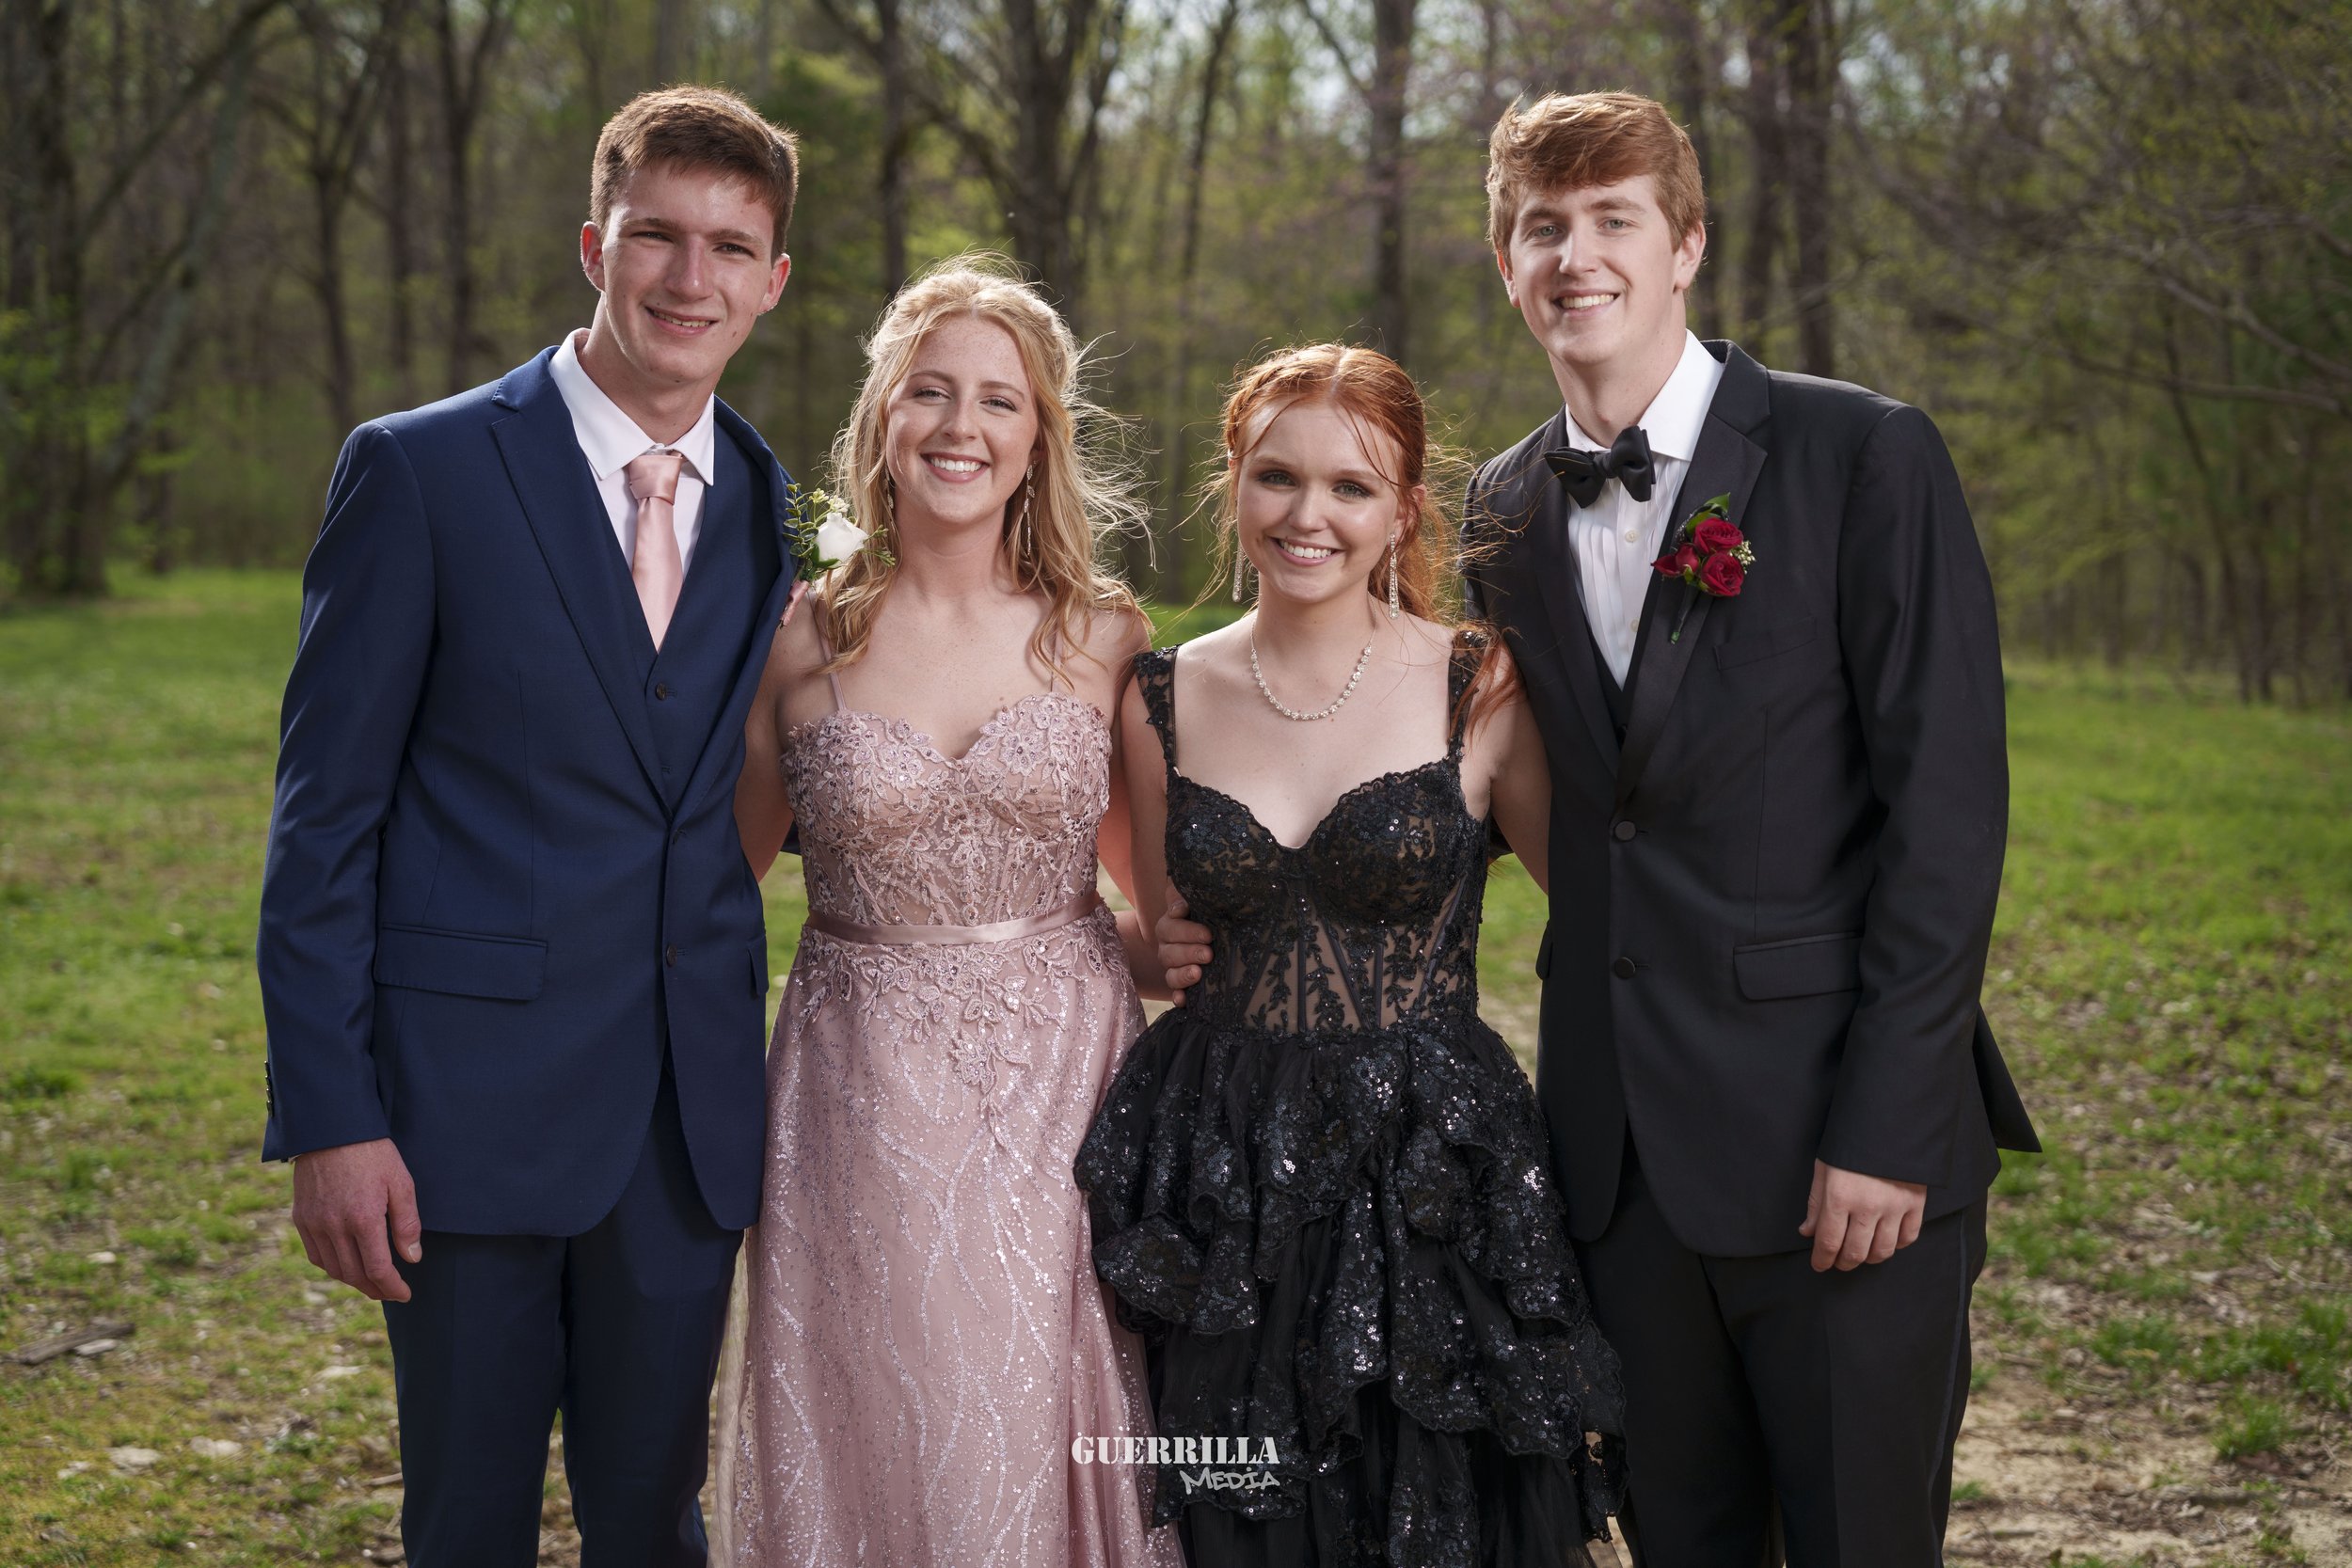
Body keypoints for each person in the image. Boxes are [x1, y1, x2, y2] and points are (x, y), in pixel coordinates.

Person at [257, 87, 802, 1566]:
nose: (691, 280)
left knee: (652, 1517)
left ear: (772, 280)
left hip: (684, 1128)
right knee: (470, 1521)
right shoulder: (420, 470)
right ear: (593, 245)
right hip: (459, 1115)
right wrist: (333, 1117)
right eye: (657, 238)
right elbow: (322, 826)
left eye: (729, 248)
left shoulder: (771, 503)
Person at [1082, 343, 1626, 1566]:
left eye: (1352, 487)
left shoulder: (1478, 685)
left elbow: (1608, 914)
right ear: (1233, 484)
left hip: (1431, 1176)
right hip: (1225, 1177)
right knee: (1239, 1508)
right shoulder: (1157, 694)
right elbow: (1160, 931)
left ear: (1404, 512)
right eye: (1278, 477)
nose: (1308, 515)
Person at [717, 257, 1184, 1568]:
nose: (960, 428)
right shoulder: (798, 640)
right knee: (880, 1396)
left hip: (1063, 1092)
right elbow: (716, 891)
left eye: (999, 401)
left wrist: (1176, 953)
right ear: (883, 418)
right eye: (929, 393)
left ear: (1040, 440)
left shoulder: (1103, 639)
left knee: (1041, 1400)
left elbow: (1157, 914)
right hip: (855, 1092)